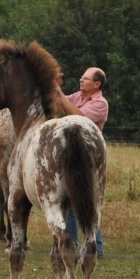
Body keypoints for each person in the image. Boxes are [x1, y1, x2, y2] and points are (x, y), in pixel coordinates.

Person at [54, 67, 108, 258]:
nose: (81, 79)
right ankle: (79, 246)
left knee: (86, 201)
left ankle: (95, 247)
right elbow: (61, 103)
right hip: (73, 154)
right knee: (73, 199)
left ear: (96, 84)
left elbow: (79, 117)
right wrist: (53, 86)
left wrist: (58, 91)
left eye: (85, 78)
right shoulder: (78, 96)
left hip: (89, 158)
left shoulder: (101, 104)